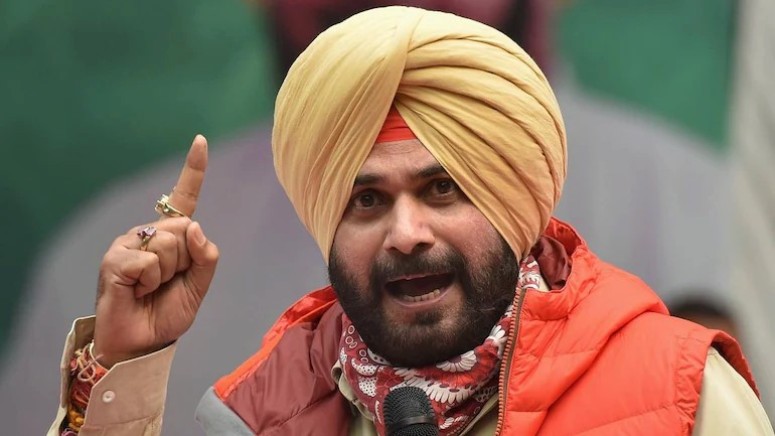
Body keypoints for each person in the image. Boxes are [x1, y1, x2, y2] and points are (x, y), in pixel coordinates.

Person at [49, 6, 773, 435]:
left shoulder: (681, 395)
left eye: (442, 189)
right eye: (366, 200)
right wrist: (118, 369)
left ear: (513, 206)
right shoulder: (260, 414)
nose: (405, 233)